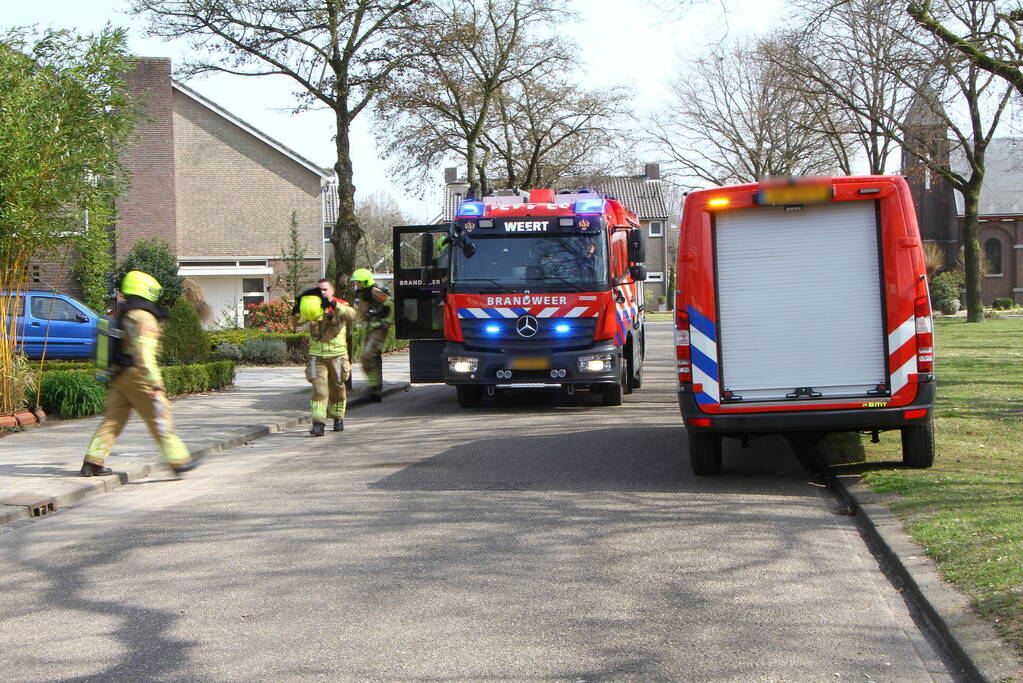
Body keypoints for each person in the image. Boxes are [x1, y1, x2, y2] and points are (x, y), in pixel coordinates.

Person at [81, 271, 197, 476]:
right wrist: (154, 382)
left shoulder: (125, 314)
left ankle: (93, 461)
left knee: (113, 420)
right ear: (148, 290)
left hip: (119, 376)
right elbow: (144, 352)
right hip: (138, 375)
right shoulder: (145, 317)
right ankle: (179, 462)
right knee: (160, 417)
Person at [294, 279, 356, 436]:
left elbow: (352, 315)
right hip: (317, 358)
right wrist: (297, 308)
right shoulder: (313, 307)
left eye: (325, 289)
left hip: (338, 357)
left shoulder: (341, 305)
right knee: (319, 392)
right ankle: (318, 424)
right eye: (319, 290)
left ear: (332, 291)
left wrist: (334, 305)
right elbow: (296, 322)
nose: (322, 292)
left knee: (338, 390)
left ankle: (337, 418)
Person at [350, 268, 392, 402]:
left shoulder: (374, 292)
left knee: (367, 357)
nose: (356, 284)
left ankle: (374, 387)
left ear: (365, 282)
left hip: (378, 329)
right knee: (373, 359)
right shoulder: (363, 293)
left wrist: (388, 321)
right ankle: (375, 390)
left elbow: (391, 304)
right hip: (370, 329)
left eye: (358, 282)